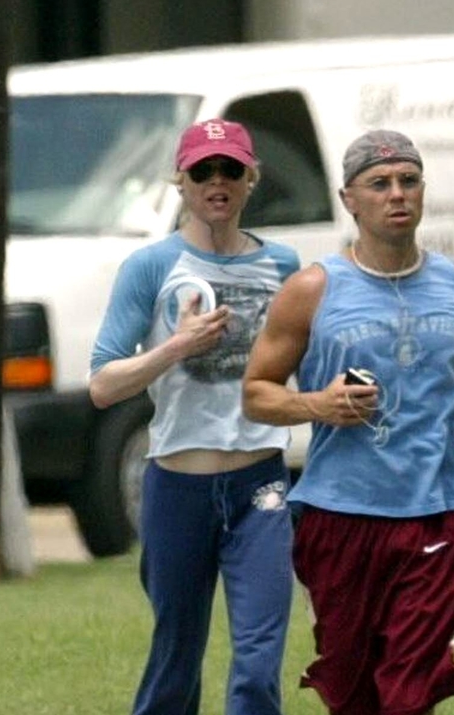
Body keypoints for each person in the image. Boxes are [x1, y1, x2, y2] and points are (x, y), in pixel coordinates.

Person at [242, 129, 454, 715]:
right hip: (340, 516)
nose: (397, 194)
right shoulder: (313, 289)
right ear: (348, 199)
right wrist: (318, 404)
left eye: (409, 181)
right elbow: (256, 394)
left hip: (439, 510)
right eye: (379, 184)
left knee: (410, 693)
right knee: (353, 694)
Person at [89, 118, 300, 715]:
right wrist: (177, 346)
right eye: (201, 171)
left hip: (259, 485)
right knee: (176, 660)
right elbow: (103, 384)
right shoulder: (151, 267)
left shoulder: (284, 266)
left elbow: (311, 367)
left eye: (230, 169)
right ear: (179, 182)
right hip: (177, 486)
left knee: (259, 667)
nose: (217, 181)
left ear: (250, 179)